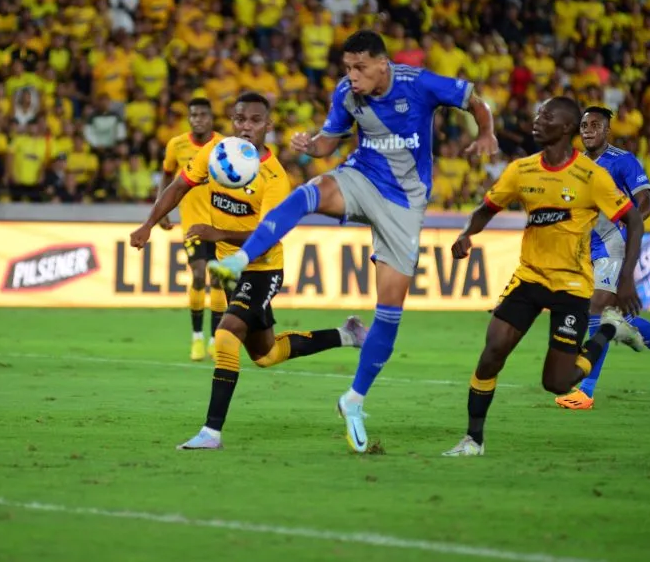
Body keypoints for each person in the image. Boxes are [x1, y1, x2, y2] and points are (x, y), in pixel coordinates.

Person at [205, 30, 498, 453]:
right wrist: (310, 145)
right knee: (309, 192)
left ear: (383, 64)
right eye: (347, 68)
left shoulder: (418, 83)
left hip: (406, 204)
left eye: (360, 67)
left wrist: (485, 131)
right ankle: (239, 261)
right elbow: (329, 141)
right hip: (361, 177)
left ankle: (354, 400)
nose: (352, 76)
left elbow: (474, 100)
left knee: (390, 314)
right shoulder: (346, 93)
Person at [129, 93, 368, 450]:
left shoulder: (274, 176)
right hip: (231, 266)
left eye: (255, 120)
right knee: (266, 355)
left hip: (262, 268)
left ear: (268, 126)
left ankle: (211, 432)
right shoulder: (216, 154)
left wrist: (218, 233)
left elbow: (269, 233)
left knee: (225, 337)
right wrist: (149, 223)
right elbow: (179, 185)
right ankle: (346, 335)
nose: (245, 126)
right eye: (240, 119)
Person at [443, 97, 646, 457]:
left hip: (571, 285)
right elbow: (487, 207)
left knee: (556, 382)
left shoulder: (591, 177)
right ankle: (473, 440)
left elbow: (634, 218)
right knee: (492, 353)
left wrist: (625, 279)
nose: (537, 121)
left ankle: (609, 330)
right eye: (538, 114)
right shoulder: (522, 169)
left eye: (547, 116)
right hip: (530, 277)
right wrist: (465, 234)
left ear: (566, 128)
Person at [556, 107, 650, 410]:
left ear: (608, 131)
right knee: (621, 321)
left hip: (613, 246)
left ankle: (586, 391)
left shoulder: (623, 162)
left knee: (597, 309)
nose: (588, 130)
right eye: (584, 125)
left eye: (596, 125)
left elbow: (646, 201)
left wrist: (625, 222)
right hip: (586, 250)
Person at [158, 98, 226, 361]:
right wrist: (161, 207)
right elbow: (166, 174)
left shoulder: (223, 144)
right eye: (194, 115)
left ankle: (213, 340)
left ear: (211, 118)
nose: (198, 119)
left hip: (221, 222)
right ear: (190, 119)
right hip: (193, 222)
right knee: (199, 274)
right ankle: (197, 338)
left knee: (218, 277)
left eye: (203, 115)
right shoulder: (176, 144)